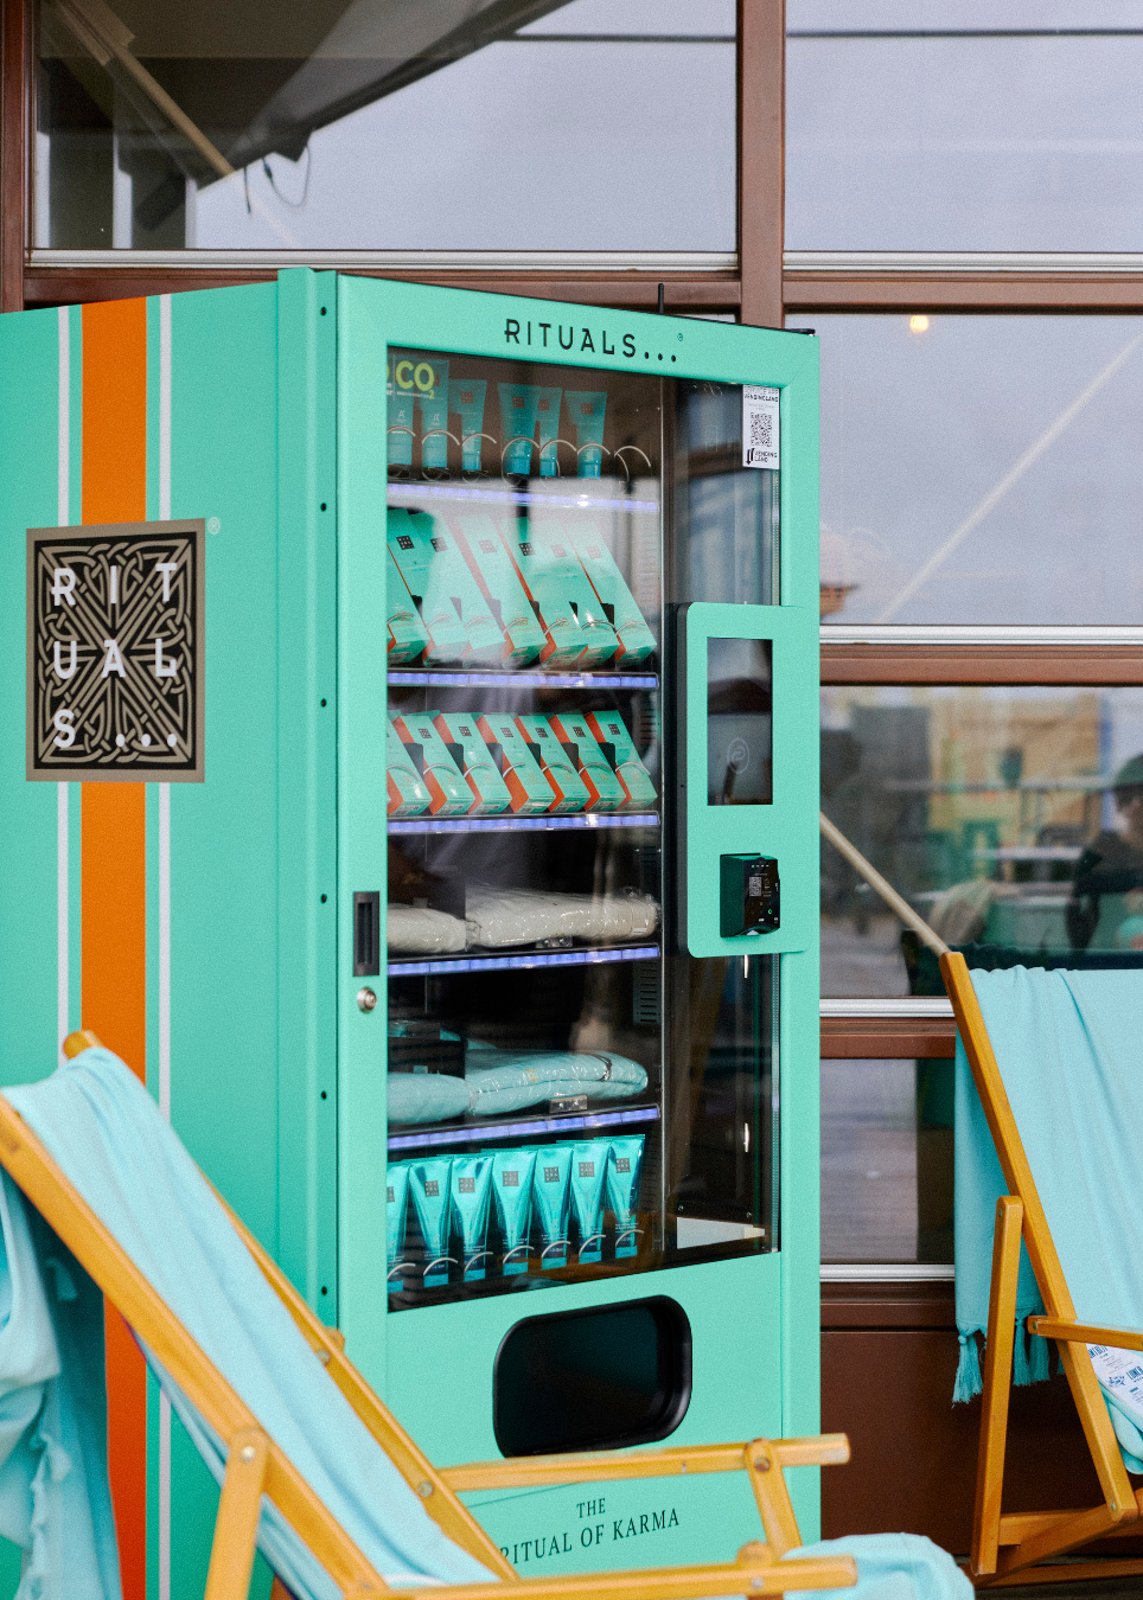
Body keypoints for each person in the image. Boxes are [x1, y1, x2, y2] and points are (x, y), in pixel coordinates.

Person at [1066, 754, 1143, 951]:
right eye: (1130, 797)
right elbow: (1078, 912)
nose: (1137, 805)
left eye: (1142, 795)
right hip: (1108, 961)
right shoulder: (1101, 851)